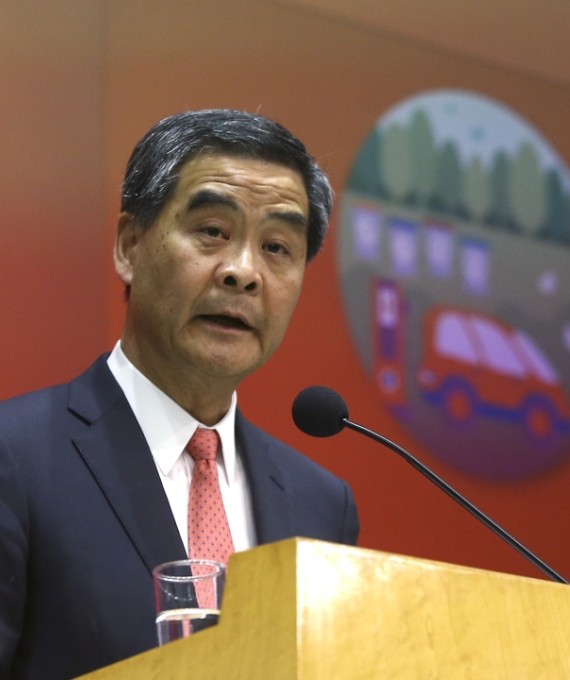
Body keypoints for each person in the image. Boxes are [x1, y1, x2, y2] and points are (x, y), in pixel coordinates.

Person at [0, 109, 360, 679]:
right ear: (129, 246)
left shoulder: (322, 506)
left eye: (277, 248)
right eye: (213, 232)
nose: (243, 272)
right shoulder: (15, 458)